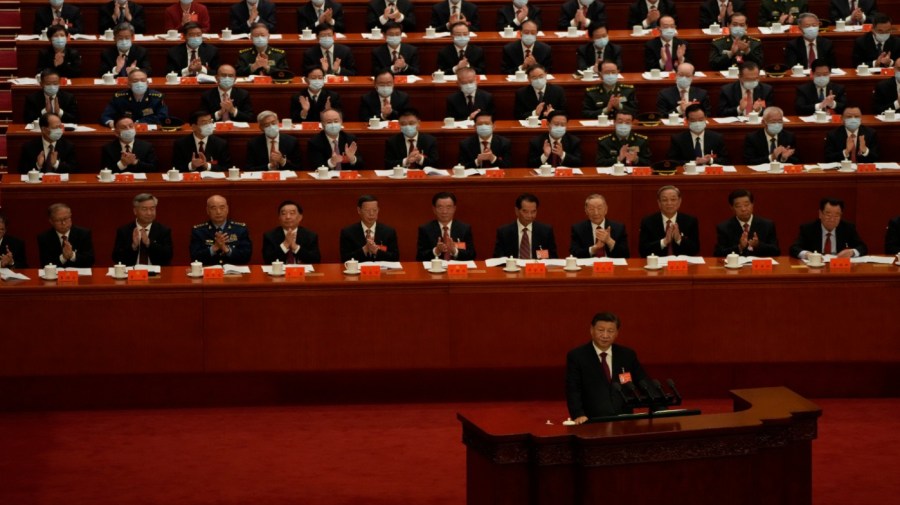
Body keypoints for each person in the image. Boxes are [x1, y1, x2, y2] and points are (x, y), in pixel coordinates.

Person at [566, 312, 649, 423]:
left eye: (610, 331)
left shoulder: (627, 355)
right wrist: (578, 414)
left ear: (617, 333)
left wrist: (660, 408)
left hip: (625, 420)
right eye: (601, 330)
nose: (605, 335)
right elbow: (573, 389)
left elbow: (643, 382)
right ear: (591, 330)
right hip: (592, 421)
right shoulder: (577, 356)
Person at [790, 197, 868, 259]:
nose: (832, 219)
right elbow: (794, 248)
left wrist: (852, 252)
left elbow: (863, 247)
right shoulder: (808, 229)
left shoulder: (847, 228)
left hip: (839, 269)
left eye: (837, 215)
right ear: (820, 214)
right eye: (828, 215)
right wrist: (807, 254)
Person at [713, 189, 781, 257]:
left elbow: (776, 251)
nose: (743, 209)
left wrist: (758, 245)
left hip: (760, 266)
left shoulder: (767, 225)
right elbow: (718, 254)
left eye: (746, 205)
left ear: (752, 205)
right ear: (732, 208)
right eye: (738, 206)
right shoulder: (724, 228)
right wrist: (740, 247)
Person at [112, 193, 174, 266]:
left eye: (152, 209)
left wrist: (149, 243)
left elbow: (167, 257)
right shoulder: (124, 231)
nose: (149, 213)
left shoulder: (163, 231)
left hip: (156, 274)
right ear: (135, 211)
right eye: (144, 209)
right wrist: (133, 246)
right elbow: (116, 258)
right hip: (131, 273)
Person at [638, 185, 700, 257]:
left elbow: (695, 249)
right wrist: (664, 242)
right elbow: (643, 250)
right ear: (659, 203)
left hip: (682, 265)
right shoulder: (648, 222)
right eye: (664, 200)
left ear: (679, 201)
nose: (669, 203)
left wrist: (679, 239)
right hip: (657, 265)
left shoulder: (690, 221)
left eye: (673, 199)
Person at [190, 195, 252, 265]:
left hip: (234, 274)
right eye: (214, 208)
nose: (218, 212)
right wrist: (214, 248)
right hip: (208, 273)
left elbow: (246, 257)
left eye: (222, 207)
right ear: (207, 210)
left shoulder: (240, 229)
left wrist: (227, 250)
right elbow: (194, 258)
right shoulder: (199, 231)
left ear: (227, 209)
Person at [492, 193, 558, 259]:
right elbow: (498, 258)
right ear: (517, 211)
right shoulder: (504, 232)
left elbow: (552, 258)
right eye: (525, 211)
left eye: (533, 212)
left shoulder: (545, 231)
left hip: (536, 268)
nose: (530, 215)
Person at [416, 192, 476, 261]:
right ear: (434, 209)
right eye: (440, 207)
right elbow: (420, 257)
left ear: (454, 208)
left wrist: (454, 251)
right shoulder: (425, 229)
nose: (444, 211)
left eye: (448, 207)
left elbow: (472, 255)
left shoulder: (464, 229)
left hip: (457, 269)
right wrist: (436, 251)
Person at [339, 194, 400, 262]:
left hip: (382, 272)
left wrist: (377, 251)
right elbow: (344, 259)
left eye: (374, 210)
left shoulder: (389, 232)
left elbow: (395, 258)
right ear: (359, 210)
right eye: (367, 210)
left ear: (378, 210)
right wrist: (365, 249)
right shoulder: (348, 233)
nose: (371, 214)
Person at [100, 68, 168, 127]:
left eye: (142, 80)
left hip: (147, 131)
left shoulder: (156, 97)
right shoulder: (119, 97)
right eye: (135, 81)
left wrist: (140, 123)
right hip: (125, 129)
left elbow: (162, 116)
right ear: (129, 84)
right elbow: (105, 116)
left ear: (147, 83)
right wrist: (111, 123)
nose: (139, 83)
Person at [570, 194, 630, 258]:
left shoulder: (618, 228)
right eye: (591, 209)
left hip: (612, 266)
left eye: (599, 208)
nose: (596, 213)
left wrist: (609, 241)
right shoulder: (578, 229)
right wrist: (593, 249)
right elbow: (574, 254)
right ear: (586, 211)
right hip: (589, 267)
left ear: (606, 209)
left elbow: (626, 255)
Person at [37, 203, 95, 268]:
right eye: (58, 220)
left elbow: (90, 260)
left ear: (70, 217)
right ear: (51, 221)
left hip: (80, 276)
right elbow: (45, 264)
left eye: (66, 218)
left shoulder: (83, 234)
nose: (63, 223)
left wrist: (72, 255)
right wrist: (63, 257)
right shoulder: (44, 238)